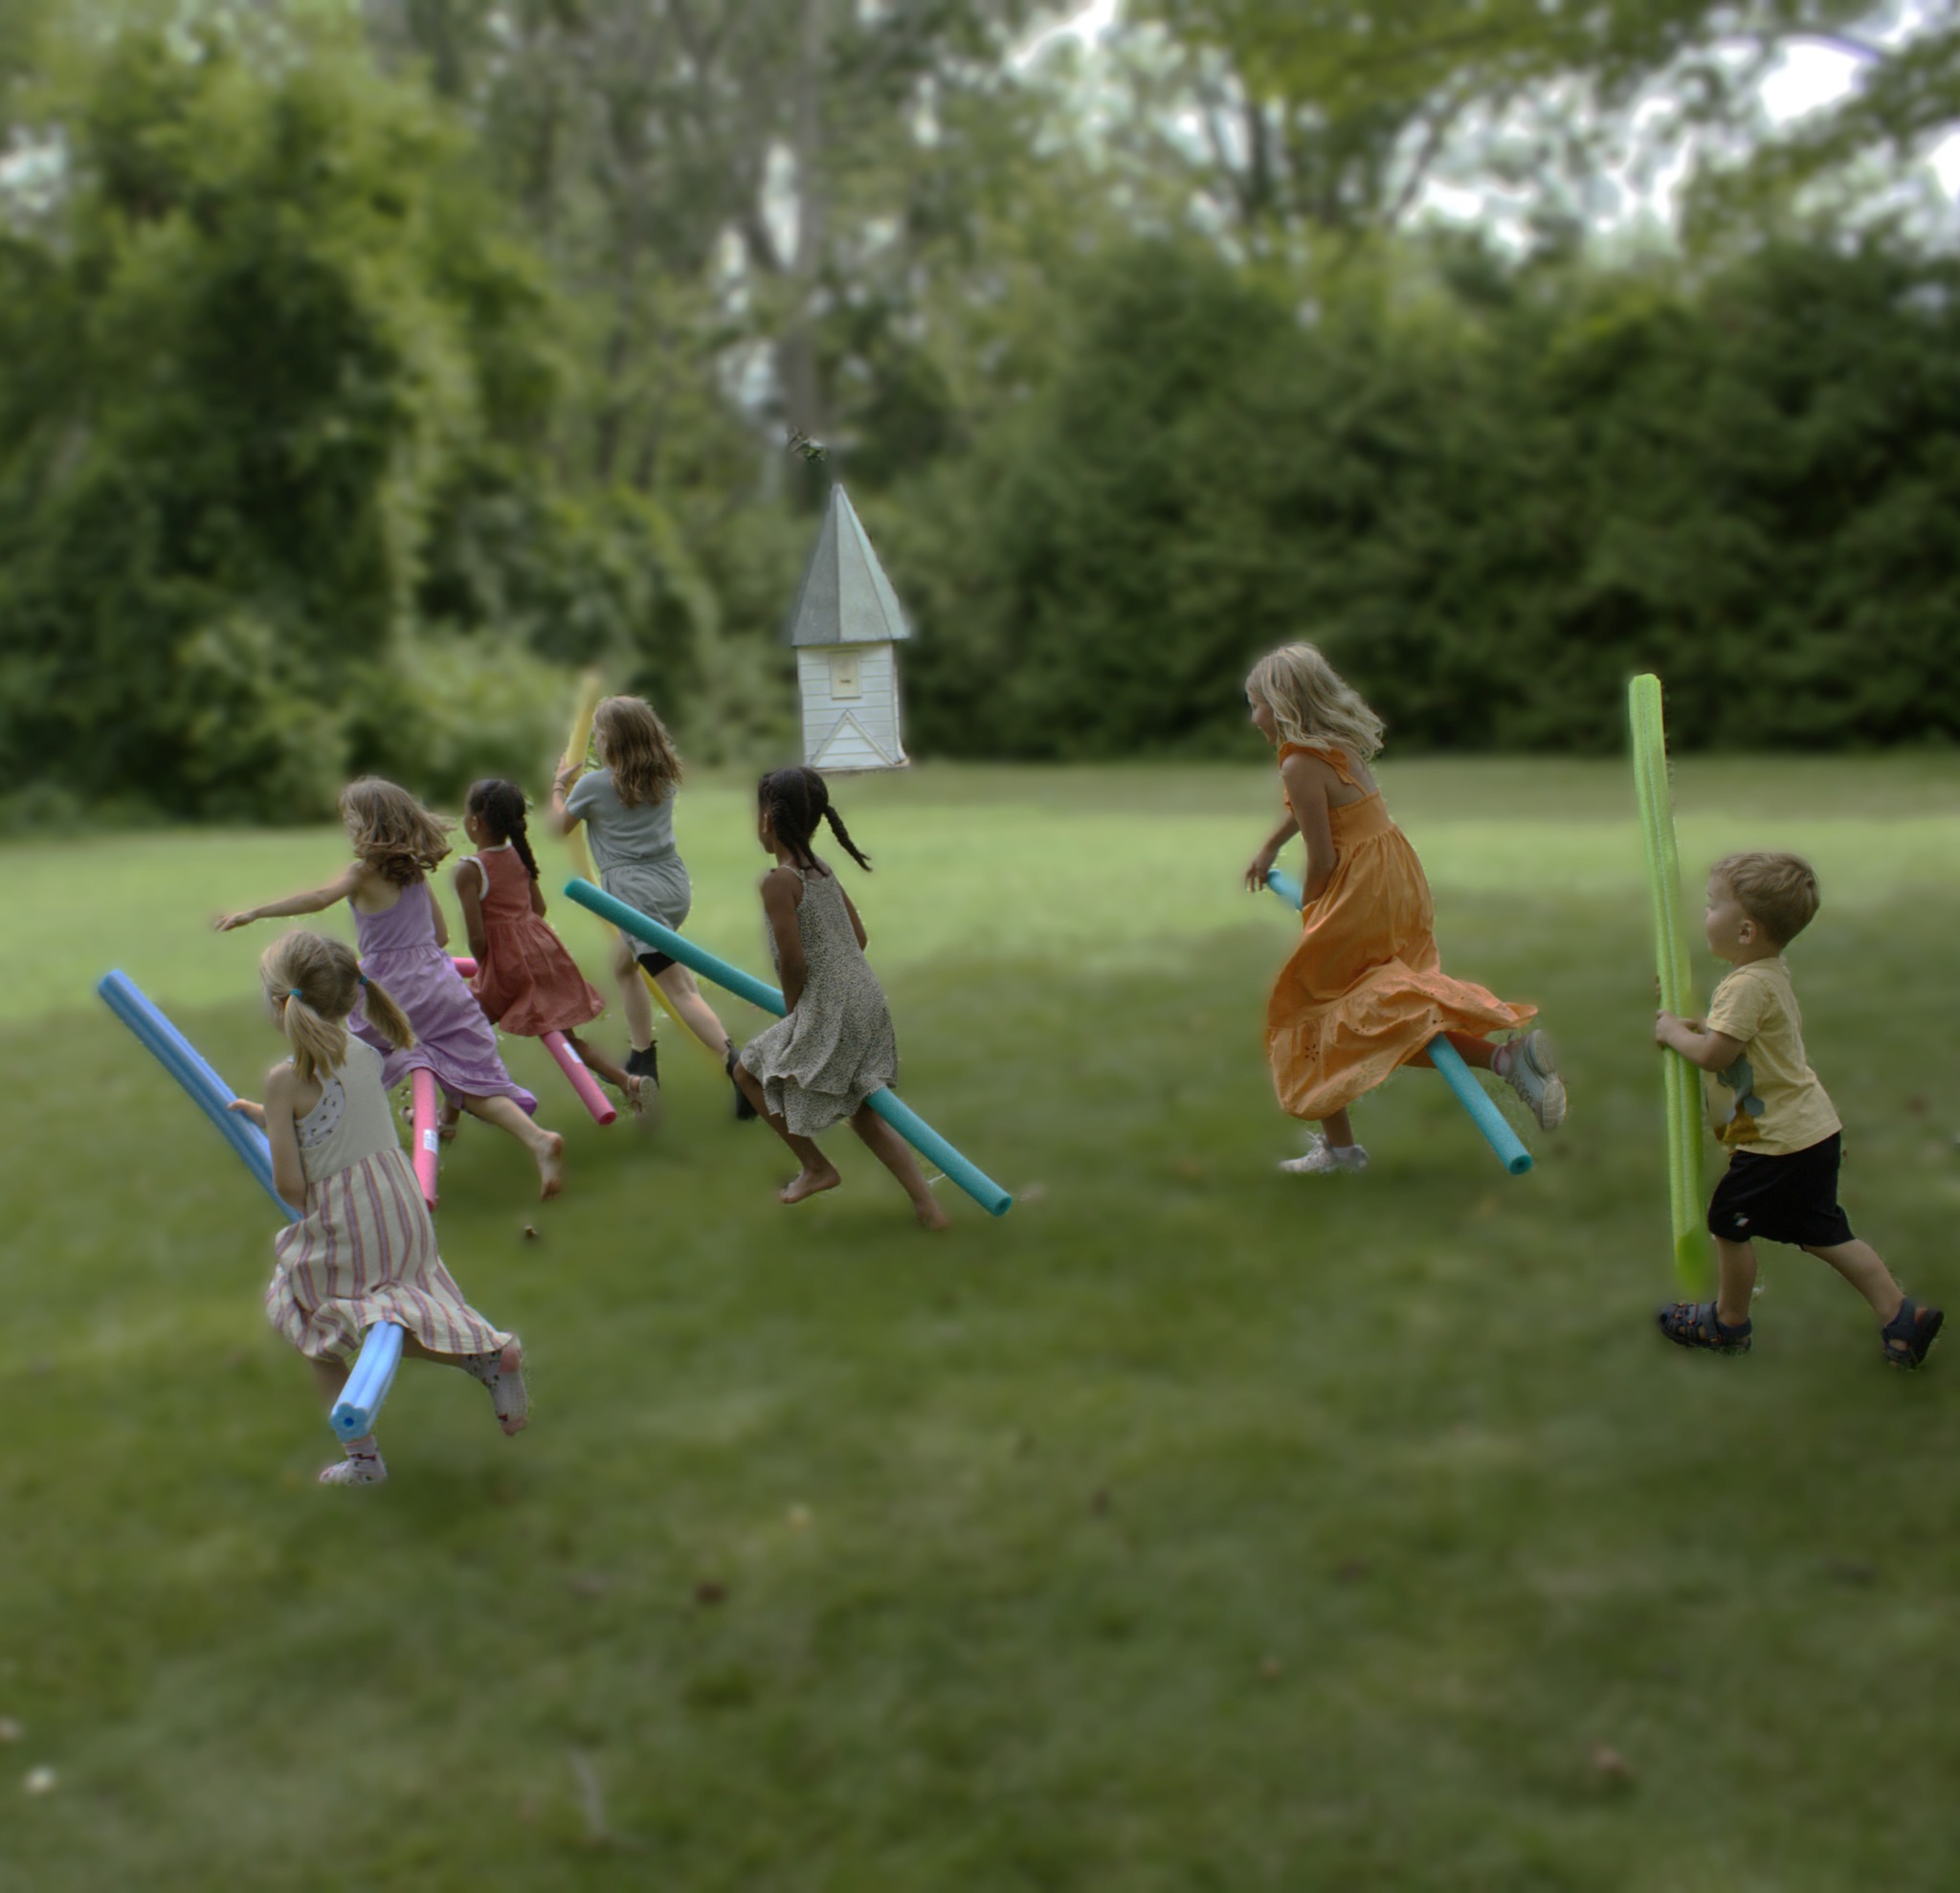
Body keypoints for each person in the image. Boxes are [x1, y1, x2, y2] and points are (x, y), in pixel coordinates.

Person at [1243, 642, 1565, 1174]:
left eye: (1254, 703)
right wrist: (1271, 847)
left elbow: (1321, 853)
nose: (1251, 717)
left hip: (1358, 889)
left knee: (1311, 1009)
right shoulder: (1331, 746)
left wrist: (1316, 909)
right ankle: (1508, 1060)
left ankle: (1343, 1152)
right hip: (1394, 880)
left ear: (1280, 705)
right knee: (1366, 1008)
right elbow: (1308, 812)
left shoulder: (1299, 762)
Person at [228, 930, 529, 1487]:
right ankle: (487, 1353)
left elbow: (292, 1188)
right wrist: (270, 1119)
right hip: (401, 1213)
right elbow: (334, 1119)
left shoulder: (283, 1081)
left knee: (307, 1320)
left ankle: (363, 1460)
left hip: (350, 1225)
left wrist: (276, 1123)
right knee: (388, 1313)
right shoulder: (367, 1052)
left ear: (280, 1005)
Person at [1654, 852, 1942, 1367]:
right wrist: (1694, 1023)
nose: (1704, 915)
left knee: (1728, 1222)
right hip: (1812, 1133)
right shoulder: (1766, 973)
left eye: (1710, 905)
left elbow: (1718, 1054)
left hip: (1777, 1144)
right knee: (1823, 1232)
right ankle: (1901, 1315)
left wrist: (1674, 1033)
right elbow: (1733, 1038)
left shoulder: (1746, 986)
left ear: (1744, 931)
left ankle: (1728, 1322)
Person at [217, 777, 564, 1200]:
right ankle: (538, 1140)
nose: (346, 827)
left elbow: (320, 898)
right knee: (472, 1083)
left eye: (350, 819)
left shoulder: (362, 872)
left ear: (367, 826)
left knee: (343, 1059)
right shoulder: (414, 872)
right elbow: (438, 936)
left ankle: (286, 1117)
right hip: (440, 985)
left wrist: (256, 912)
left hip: (393, 991)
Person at [731, 767, 948, 1230]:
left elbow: (793, 963)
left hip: (832, 1007)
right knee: (866, 1112)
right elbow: (860, 938)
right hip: (867, 998)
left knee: (746, 1070)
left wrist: (797, 1012)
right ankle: (928, 1208)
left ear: (767, 819)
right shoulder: (821, 869)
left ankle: (816, 1167)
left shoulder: (779, 882)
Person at [551, 695, 752, 1118]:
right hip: (672, 887)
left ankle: (743, 1072)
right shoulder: (662, 777)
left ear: (611, 742)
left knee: (677, 989)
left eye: (601, 736)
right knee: (625, 965)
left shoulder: (595, 786)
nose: (598, 742)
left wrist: (559, 787)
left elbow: (558, 827)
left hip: (635, 899)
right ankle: (643, 1058)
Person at [455, 777, 643, 1116]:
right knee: (569, 1039)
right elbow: (538, 909)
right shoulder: (518, 855)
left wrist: (492, 968)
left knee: (458, 1031)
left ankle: (448, 1119)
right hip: (544, 954)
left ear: (473, 822)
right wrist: (524, 941)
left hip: (506, 966)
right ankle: (628, 1081)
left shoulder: (469, 869)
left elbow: (478, 938)